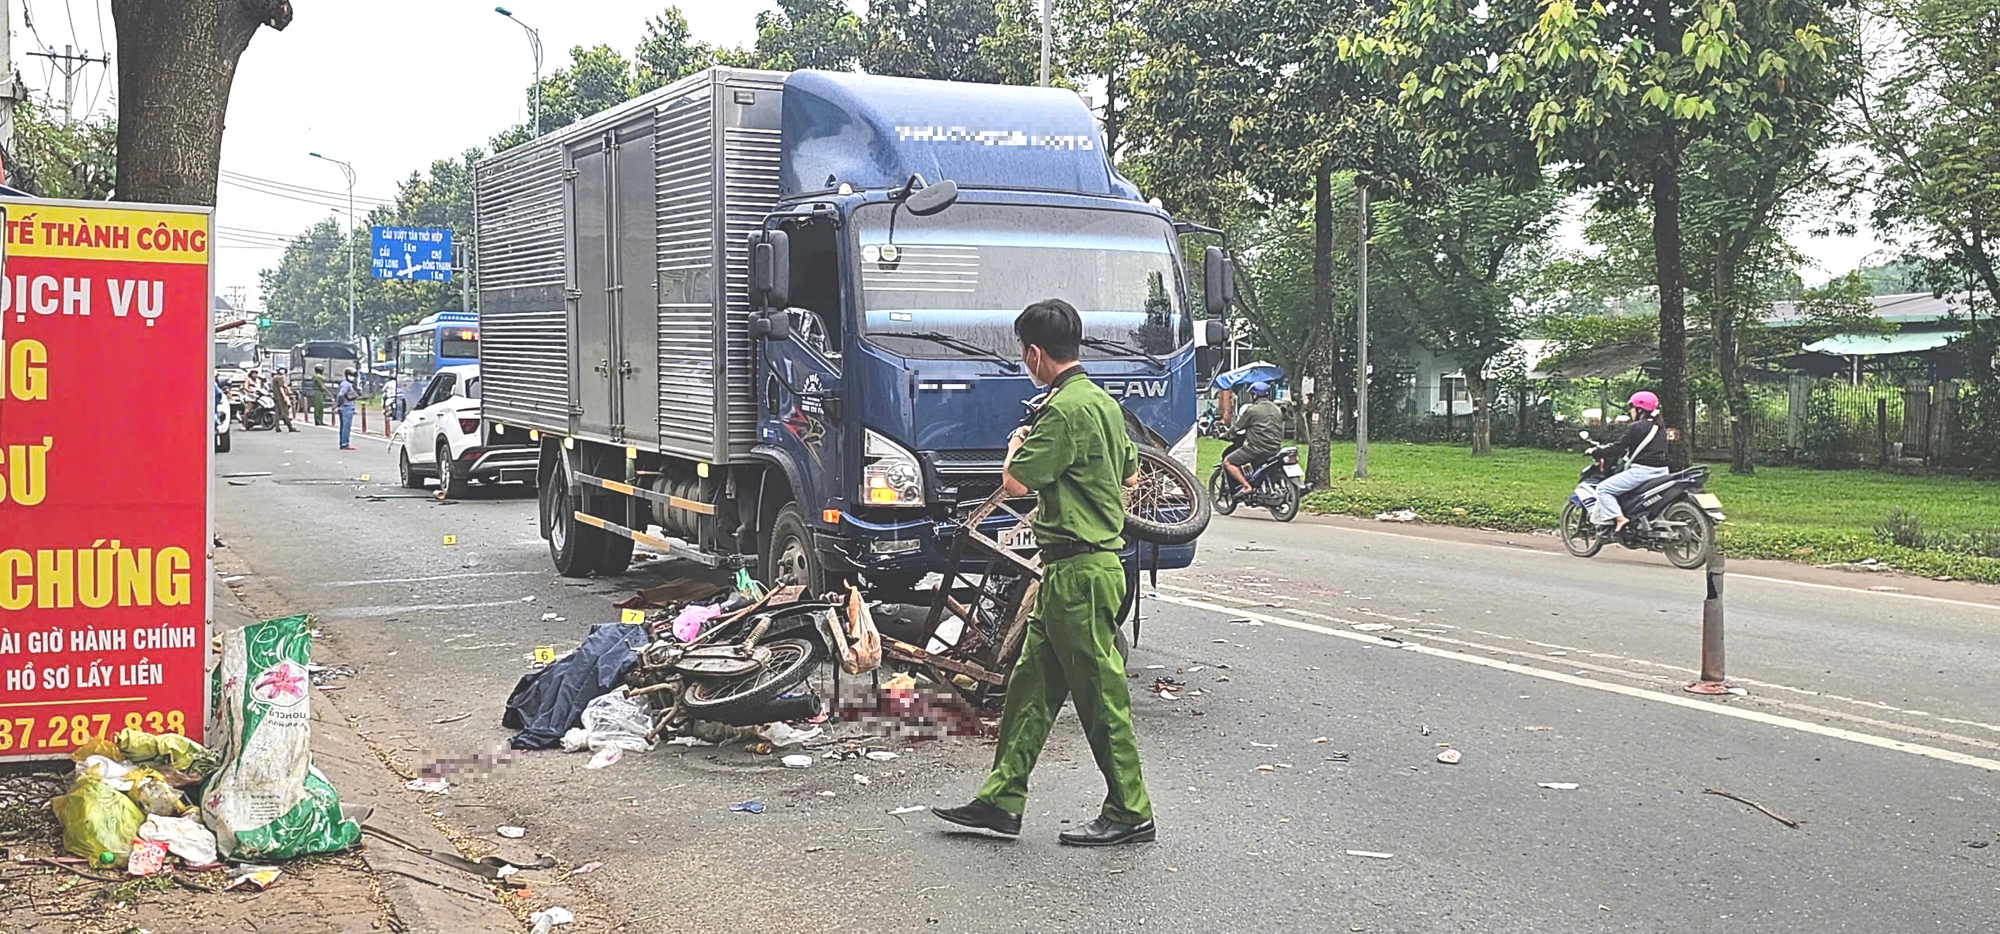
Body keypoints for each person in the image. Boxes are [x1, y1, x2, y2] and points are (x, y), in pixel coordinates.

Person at [931, 298, 1156, 848]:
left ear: (1034, 354)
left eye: (1022, 355)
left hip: (1079, 572)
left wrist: (1014, 449)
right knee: (1031, 687)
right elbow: (1131, 476)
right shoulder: (1102, 404)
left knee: (1101, 696)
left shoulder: (1061, 411)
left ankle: (1131, 810)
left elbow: (1016, 484)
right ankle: (1001, 801)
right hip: (1073, 571)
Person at [1591, 390, 1670, 533]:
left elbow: (1617, 447)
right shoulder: (1661, 428)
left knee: (1603, 489)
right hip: (1663, 472)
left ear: (1640, 409)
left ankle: (1620, 519)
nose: (1630, 412)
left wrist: (1596, 451)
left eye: (1632, 408)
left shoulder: (1637, 427)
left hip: (1642, 472)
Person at [1223, 381, 1284, 497]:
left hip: (1256, 449)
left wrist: (1224, 435)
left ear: (1254, 395)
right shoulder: (1277, 409)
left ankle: (1246, 486)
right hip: (1275, 448)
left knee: (1228, 461)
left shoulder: (1252, 411)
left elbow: (1236, 427)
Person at [335, 367, 359, 450]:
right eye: (351, 375)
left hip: (345, 407)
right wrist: (339, 404)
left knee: (343, 426)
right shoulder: (346, 384)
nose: (353, 377)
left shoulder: (346, 383)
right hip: (346, 407)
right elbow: (341, 395)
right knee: (346, 427)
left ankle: (343, 442)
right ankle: (345, 443)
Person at [272, 366, 297, 432]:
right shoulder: (280, 378)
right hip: (280, 397)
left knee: (278, 412)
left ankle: (277, 427)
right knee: (285, 412)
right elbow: (281, 388)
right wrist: (285, 397)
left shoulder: (274, 377)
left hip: (276, 397)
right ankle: (290, 427)